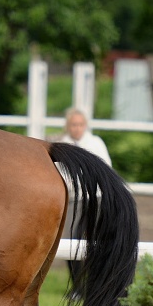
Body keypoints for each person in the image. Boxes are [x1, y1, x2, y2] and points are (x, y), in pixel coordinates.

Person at [58, 108, 112, 292]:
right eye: (74, 124)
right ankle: (78, 287)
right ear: (68, 126)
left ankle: (96, 283)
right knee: (70, 241)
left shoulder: (95, 143)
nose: (77, 128)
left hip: (94, 198)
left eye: (80, 124)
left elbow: (106, 170)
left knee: (94, 241)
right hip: (73, 199)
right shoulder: (62, 145)